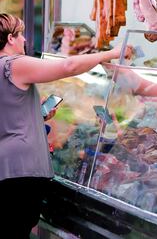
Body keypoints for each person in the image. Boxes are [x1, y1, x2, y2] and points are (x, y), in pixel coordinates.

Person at [0, 13, 133, 237]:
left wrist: (37, 116)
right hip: (19, 171)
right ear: (10, 39)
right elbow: (69, 66)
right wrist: (110, 53)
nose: (24, 40)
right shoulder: (12, 65)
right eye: (20, 34)